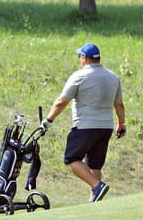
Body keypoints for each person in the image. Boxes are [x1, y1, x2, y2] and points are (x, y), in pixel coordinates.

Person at [40, 43, 126, 202]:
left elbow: (61, 102)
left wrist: (48, 120)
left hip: (85, 126)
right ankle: (95, 201)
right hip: (106, 127)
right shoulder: (113, 77)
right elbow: (119, 104)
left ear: (84, 58)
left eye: (80, 56)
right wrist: (122, 124)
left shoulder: (79, 76)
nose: (80, 59)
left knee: (71, 159)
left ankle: (97, 186)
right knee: (95, 165)